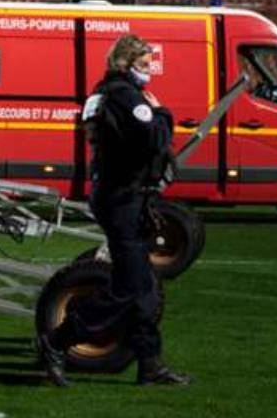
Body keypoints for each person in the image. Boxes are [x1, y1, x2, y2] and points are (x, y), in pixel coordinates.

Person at [36, 34, 191, 387]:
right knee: (130, 287)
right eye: (145, 64)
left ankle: (150, 363)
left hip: (118, 194)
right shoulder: (125, 95)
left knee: (143, 287)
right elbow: (155, 138)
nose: (150, 71)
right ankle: (57, 340)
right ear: (125, 62)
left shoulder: (105, 93)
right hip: (122, 198)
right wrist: (162, 112)